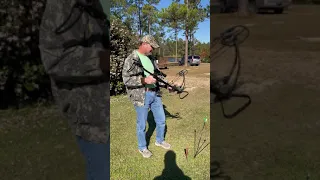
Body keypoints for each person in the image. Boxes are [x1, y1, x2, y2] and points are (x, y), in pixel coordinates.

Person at [38, 0, 110, 179]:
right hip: (93, 120)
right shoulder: (63, 4)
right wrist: (106, 60)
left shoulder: (95, 6)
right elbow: (55, 58)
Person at [122, 35, 173, 158]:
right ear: (144, 44)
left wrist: (167, 85)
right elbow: (126, 79)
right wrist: (144, 80)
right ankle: (142, 147)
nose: (152, 50)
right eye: (151, 47)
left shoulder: (150, 58)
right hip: (141, 95)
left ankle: (159, 141)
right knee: (142, 125)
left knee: (161, 120)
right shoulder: (131, 58)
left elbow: (156, 76)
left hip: (155, 94)